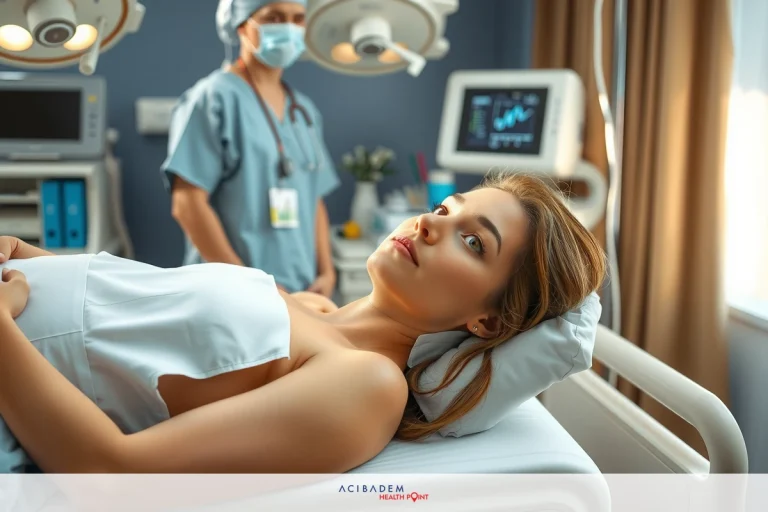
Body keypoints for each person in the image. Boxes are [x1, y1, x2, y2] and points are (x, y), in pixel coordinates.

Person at [0, 172, 606, 474]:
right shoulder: (313, 310)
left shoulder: (366, 385)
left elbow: (115, 472)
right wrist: (31, 255)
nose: (429, 222)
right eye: (447, 208)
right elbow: (139, 301)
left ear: (488, 321)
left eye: (473, 241)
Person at [161, 0, 339, 297]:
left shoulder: (304, 111)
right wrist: (250, 286)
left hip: (302, 292)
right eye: (274, 17)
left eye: (298, 18)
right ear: (242, 24)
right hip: (231, 294)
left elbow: (313, 198)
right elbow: (187, 204)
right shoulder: (213, 99)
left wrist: (327, 272)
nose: (289, 28)